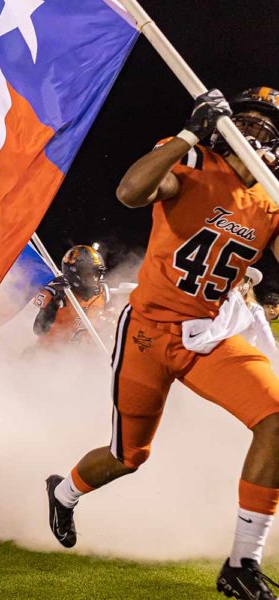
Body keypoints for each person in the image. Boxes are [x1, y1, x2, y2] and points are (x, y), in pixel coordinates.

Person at [44, 87, 279, 597]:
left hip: (209, 335)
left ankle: (242, 561)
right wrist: (189, 133)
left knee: (277, 420)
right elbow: (131, 191)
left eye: (269, 128)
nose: (257, 133)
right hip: (149, 332)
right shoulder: (193, 158)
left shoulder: (270, 200)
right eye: (249, 121)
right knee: (128, 456)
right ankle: (63, 492)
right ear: (224, 125)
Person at [33, 245, 110, 346]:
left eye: (96, 273)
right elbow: (39, 330)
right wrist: (53, 305)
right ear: (73, 272)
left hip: (81, 355)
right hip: (49, 353)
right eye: (88, 273)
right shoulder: (56, 293)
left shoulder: (103, 292)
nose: (94, 279)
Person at [237, 267, 279, 361]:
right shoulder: (216, 306)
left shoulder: (254, 310)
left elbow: (267, 344)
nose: (235, 285)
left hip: (244, 360)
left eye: (240, 280)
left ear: (248, 285)